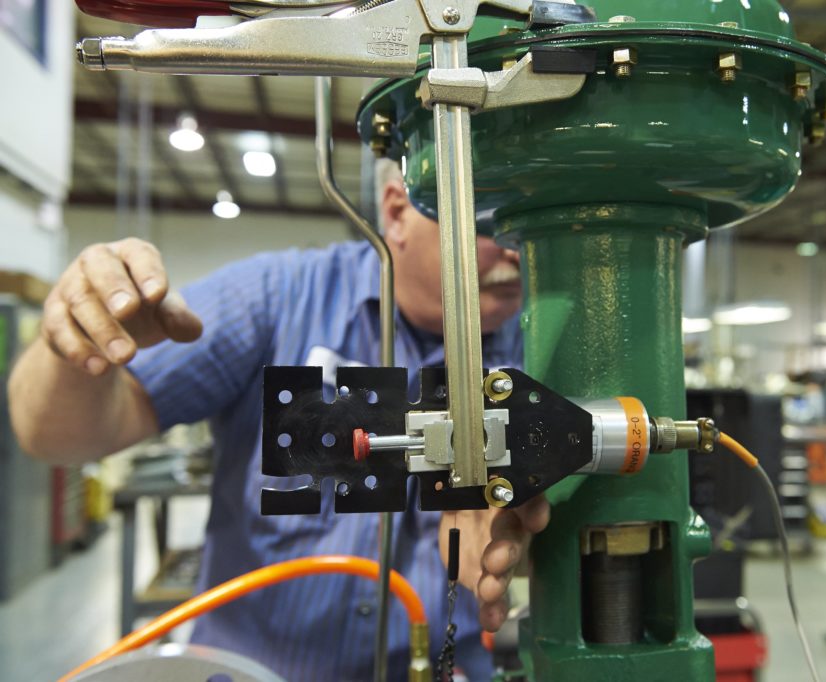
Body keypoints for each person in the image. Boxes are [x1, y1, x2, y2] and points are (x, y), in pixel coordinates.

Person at [7, 162, 548, 681]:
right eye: (487, 220)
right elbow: (56, 436)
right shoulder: (276, 298)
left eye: (523, 221)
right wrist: (75, 345)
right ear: (396, 212)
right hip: (251, 670)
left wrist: (521, 520)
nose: (513, 248)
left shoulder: (542, 341)